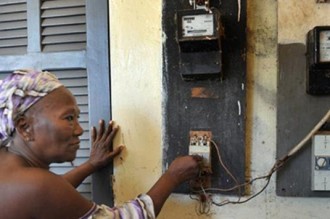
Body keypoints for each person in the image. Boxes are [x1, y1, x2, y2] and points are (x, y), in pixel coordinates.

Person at [0, 69, 201, 219]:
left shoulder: (12, 171)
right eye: (69, 118)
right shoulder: (37, 185)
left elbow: (52, 195)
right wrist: (172, 176)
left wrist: (91, 165)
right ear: (24, 127)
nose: (79, 130)